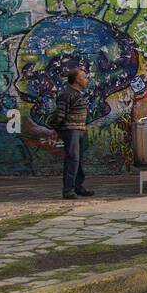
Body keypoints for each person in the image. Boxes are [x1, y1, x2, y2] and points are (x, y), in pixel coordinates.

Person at [51, 67, 94, 199]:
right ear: (76, 80)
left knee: (78, 159)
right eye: (84, 77)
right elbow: (60, 114)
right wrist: (55, 130)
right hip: (71, 130)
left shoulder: (77, 94)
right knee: (72, 159)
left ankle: (78, 186)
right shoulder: (67, 94)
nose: (87, 80)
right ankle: (68, 189)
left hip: (79, 129)